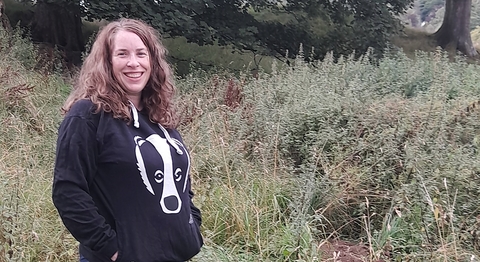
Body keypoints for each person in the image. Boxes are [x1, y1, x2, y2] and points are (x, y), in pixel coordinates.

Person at [52, 18, 203, 262]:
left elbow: (183, 185)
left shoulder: (159, 117)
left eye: (141, 54)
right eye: (122, 54)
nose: (134, 63)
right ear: (107, 62)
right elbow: (68, 191)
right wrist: (112, 249)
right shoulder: (88, 116)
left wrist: (190, 227)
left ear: (152, 62)